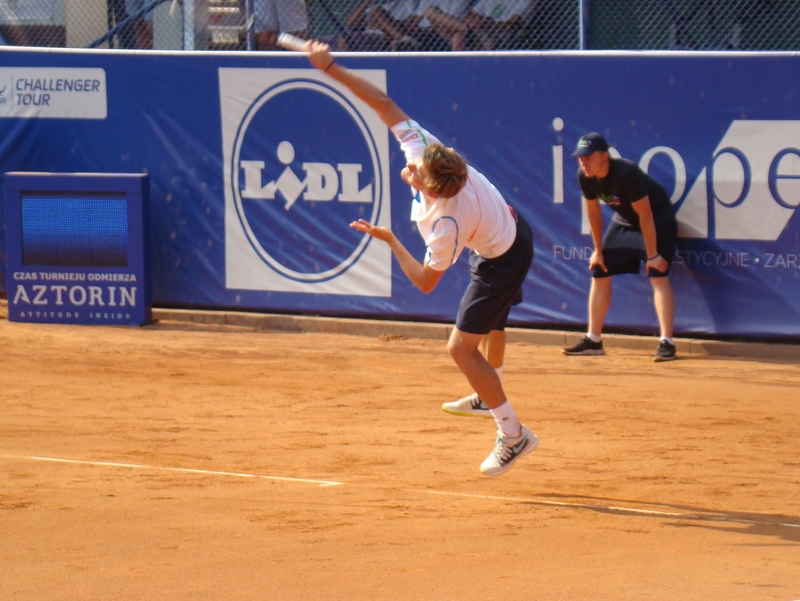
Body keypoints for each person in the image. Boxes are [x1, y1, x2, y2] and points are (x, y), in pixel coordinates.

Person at [304, 40, 537, 476]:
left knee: (460, 349)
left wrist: (392, 241)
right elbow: (382, 102)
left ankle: (513, 433)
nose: (409, 167)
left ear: (432, 188)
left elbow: (427, 282)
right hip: (507, 227)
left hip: (503, 256)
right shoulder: (429, 152)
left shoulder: (444, 222)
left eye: (416, 172)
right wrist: (330, 67)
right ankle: (489, 391)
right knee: (491, 324)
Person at [562, 133, 679, 362]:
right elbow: (593, 213)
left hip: (657, 220)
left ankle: (667, 343)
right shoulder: (585, 176)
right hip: (625, 221)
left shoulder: (627, 173)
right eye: (581, 158)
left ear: (604, 157)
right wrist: (598, 251)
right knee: (600, 270)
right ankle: (594, 340)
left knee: (658, 275)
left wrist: (652, 255)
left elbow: (646, 215)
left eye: (588, 157)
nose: (583, 163)